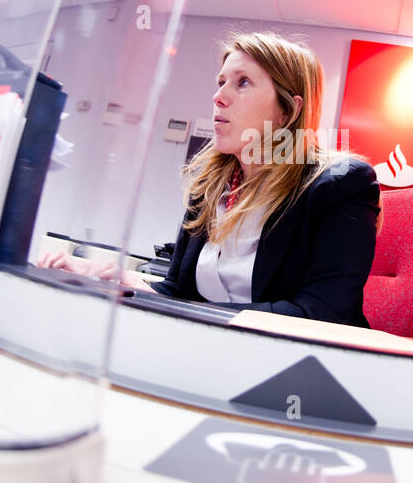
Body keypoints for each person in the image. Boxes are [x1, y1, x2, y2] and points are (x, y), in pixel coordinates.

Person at [37, 31, 380, 327]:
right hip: (206, 349)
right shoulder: (210, 188)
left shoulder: (340, 183)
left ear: (287, 111)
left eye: (242, 82)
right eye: (220, 82)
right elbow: (177, 290)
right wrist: (100, 274)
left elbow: (320, 314)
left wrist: (191, 313)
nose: (218, 97)